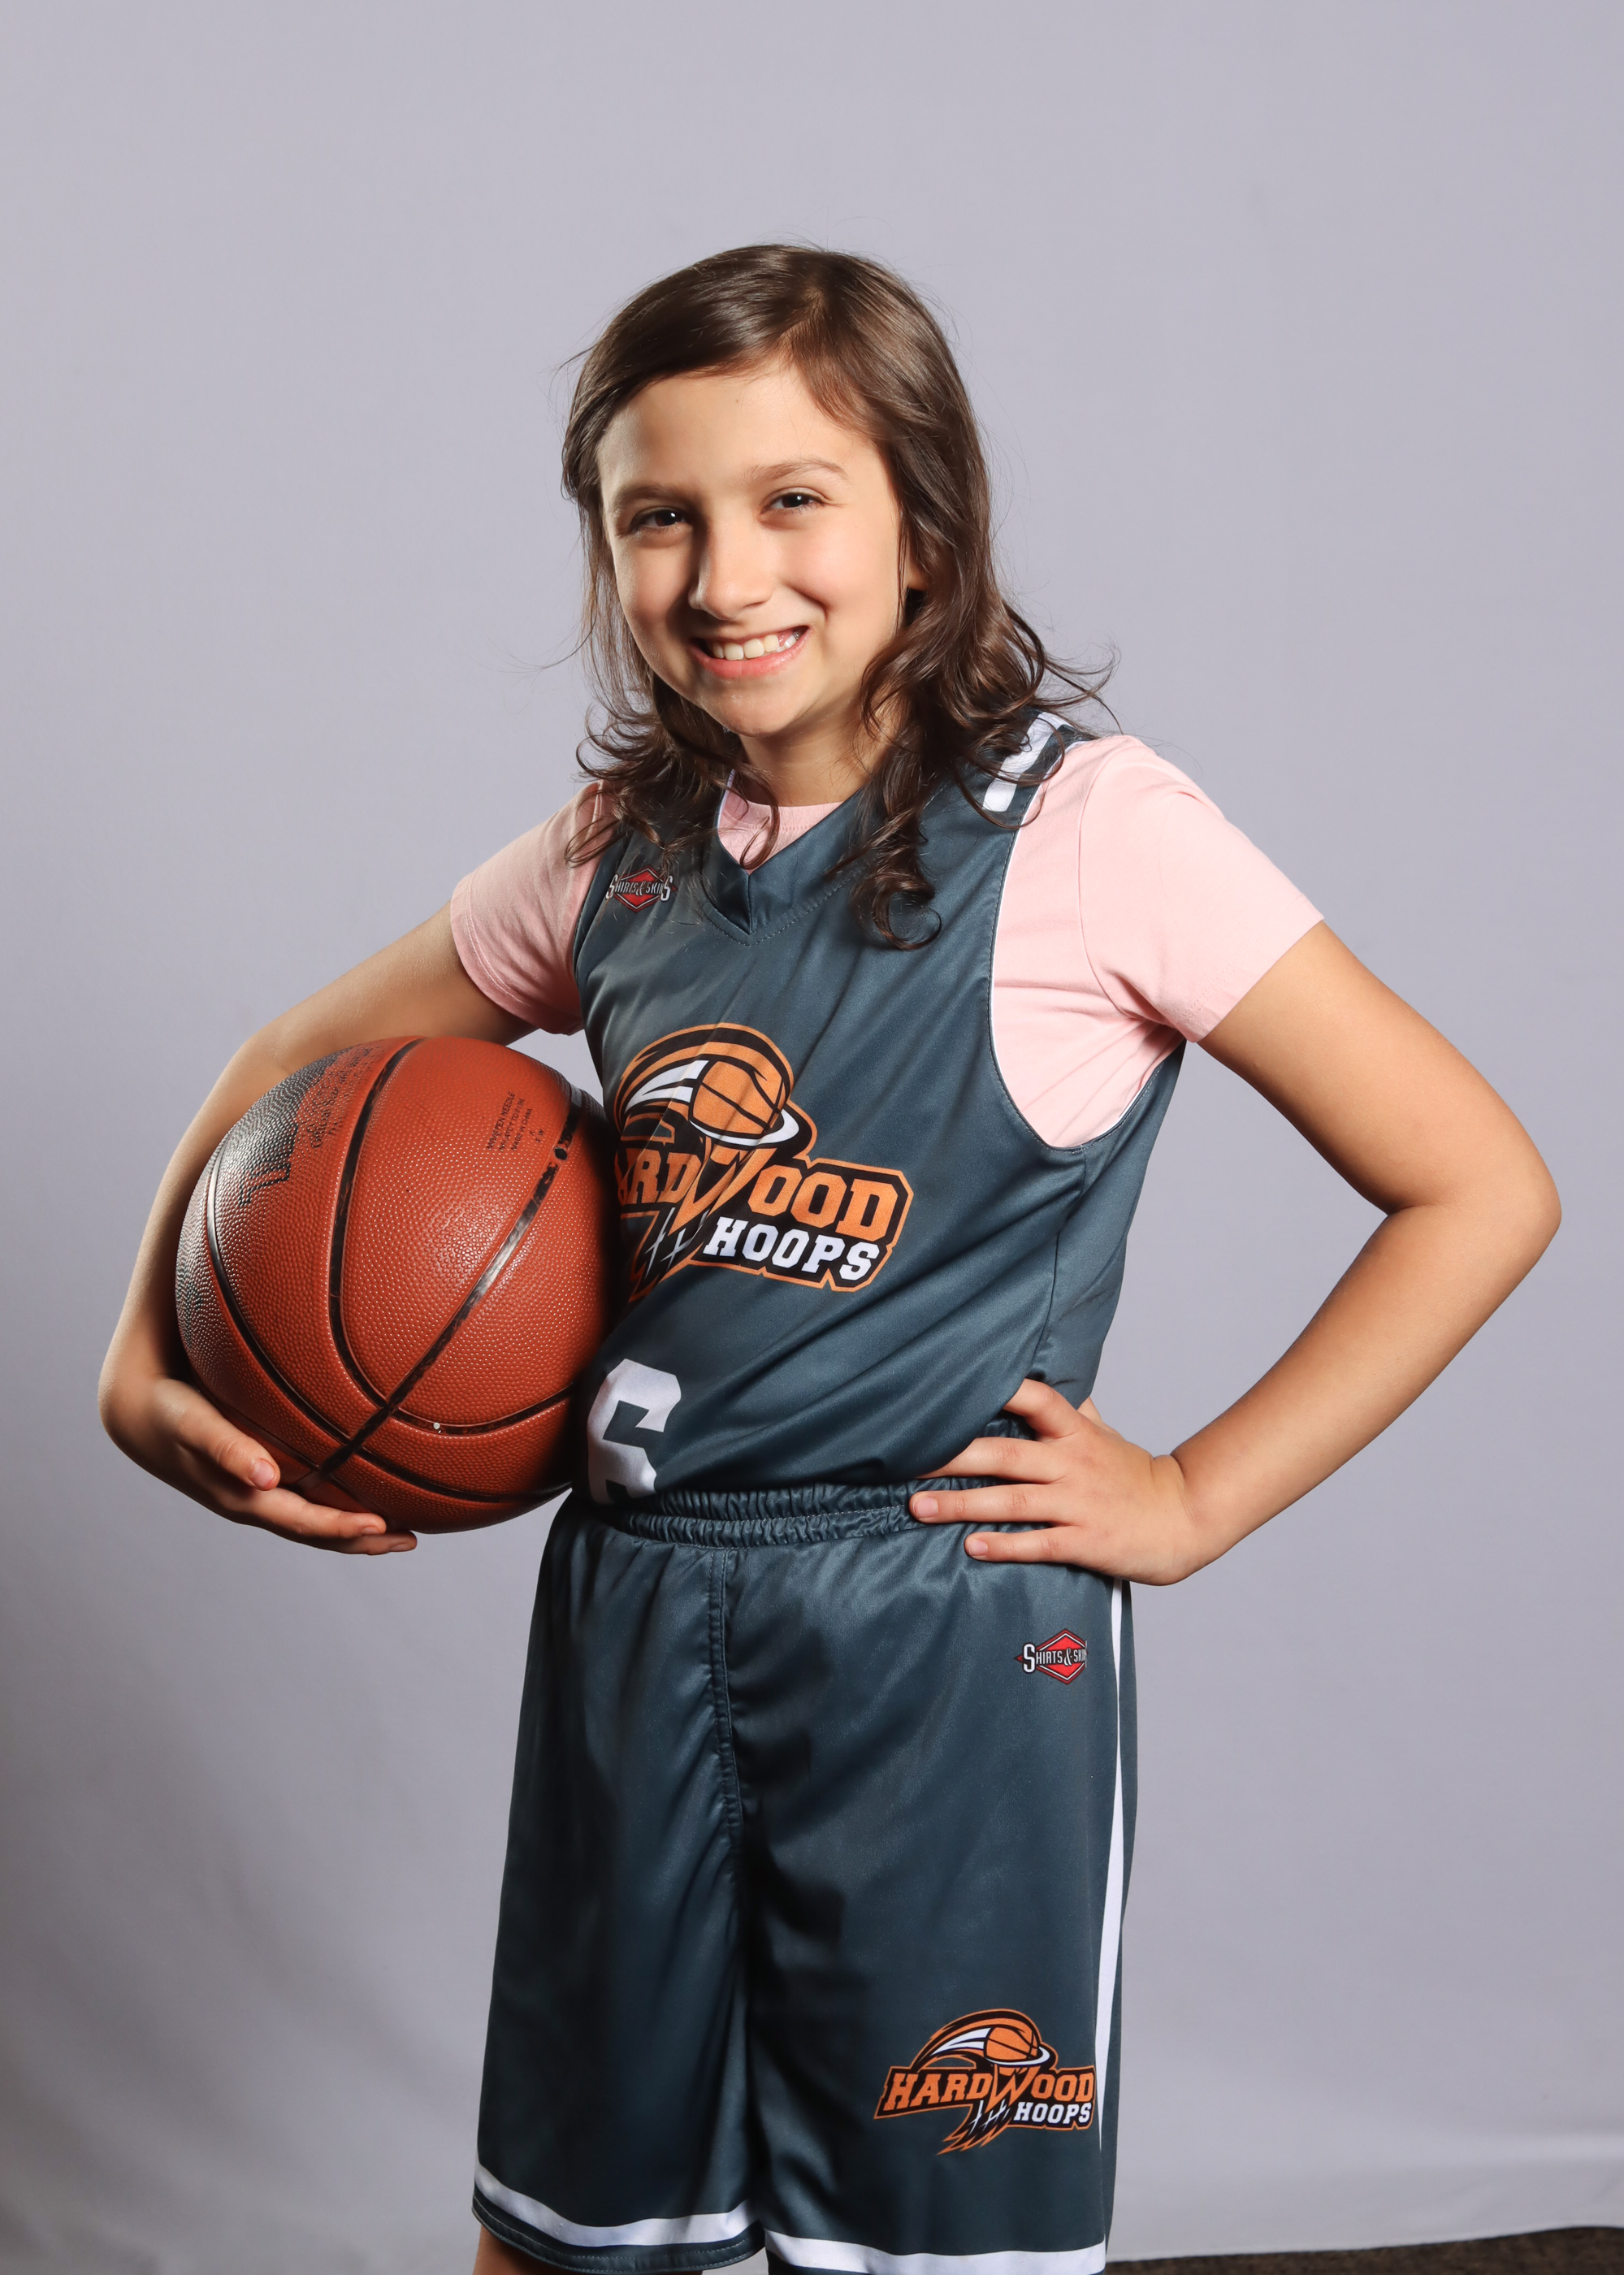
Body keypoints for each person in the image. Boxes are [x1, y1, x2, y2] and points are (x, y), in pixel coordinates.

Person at [98, 246, 1559, 2275]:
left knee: (923, 2255)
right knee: (567, 2238)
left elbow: (1479, 1183)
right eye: (658, 517)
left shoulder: (1094, 835)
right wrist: (136, 1351)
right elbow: (291, 1063)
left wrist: (1197, 1494)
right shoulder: (616, 851)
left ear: (923, 525)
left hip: (937, 1629)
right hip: (632, 1606)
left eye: (792, 499)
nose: (726, 575)